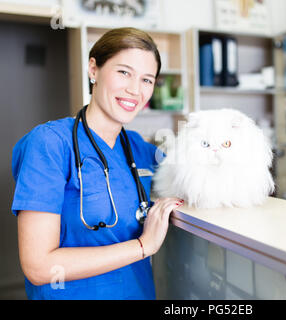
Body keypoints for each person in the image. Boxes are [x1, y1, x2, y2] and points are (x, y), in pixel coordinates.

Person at [11, 27, 182, 300]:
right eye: (124, 72)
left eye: (147, 80)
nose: (135, 90)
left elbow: (191, 173)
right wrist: (142, 246)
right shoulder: (50, 144)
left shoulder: (138, 148)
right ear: (94, 70)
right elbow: (39, 266)